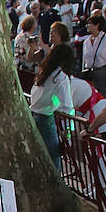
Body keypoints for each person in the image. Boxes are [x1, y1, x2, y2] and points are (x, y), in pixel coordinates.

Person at [28, 40, 76, 171]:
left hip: (33, 116)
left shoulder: (44, 73)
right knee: (53, 160)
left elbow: (46, 96)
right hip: (45, 120)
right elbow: (67, 107)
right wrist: (69, 133)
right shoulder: (61, 77)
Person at [79, 12, 106, 99]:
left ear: (97, 25)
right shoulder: (86, 41)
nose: (87, 26)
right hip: (90, 73)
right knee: (91, 96)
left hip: (103, 72)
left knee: (103, 97)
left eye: (90, 24)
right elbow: (84, 58)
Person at [13, 14, 40, 92]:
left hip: (20, 67)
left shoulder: (19, 36)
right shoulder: (25, 38)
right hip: (26, 69)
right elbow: (28, 56)